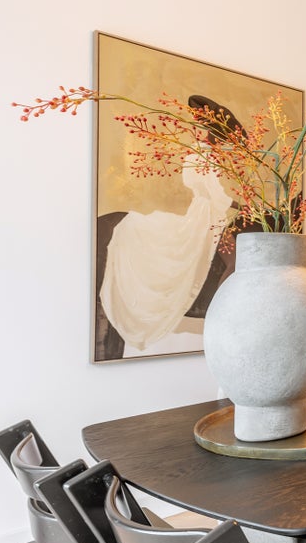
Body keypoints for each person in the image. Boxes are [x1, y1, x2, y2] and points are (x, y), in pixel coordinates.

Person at [96, 97, 242, 358]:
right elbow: (215, 193)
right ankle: (223, 309)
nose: (224, 145)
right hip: (207, 212)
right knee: (231, 259)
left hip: (207, 208)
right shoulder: (204, 155)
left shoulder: (198, 152)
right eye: (224, 138)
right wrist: (241, 205)